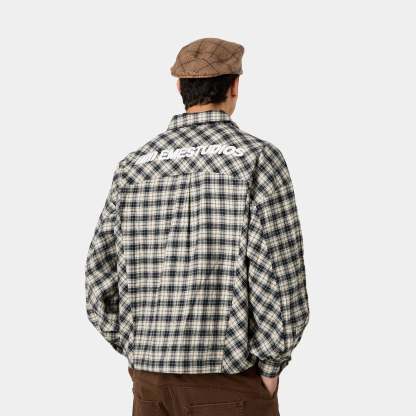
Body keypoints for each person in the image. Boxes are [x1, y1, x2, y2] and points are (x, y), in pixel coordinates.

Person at [85, 37, 309, 416]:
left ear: (179, 87)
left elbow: (98, 276)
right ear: (234, 86)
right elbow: (280, 272)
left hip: (150, 384)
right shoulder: (256, 159)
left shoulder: (133, 166)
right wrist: (272, 362)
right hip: (229, 380)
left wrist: (139, 347)